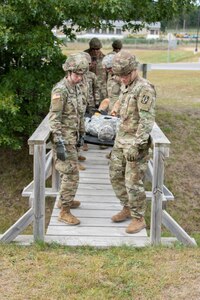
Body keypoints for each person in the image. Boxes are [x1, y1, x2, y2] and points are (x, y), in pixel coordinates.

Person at [109, 50, 156, 234]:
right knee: (115, 176)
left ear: (134, 70)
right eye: (119, 76)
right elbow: (123, 100)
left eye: (125, 75)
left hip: (135, 144)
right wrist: (116, 107)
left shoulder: (144, 88)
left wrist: (137, 145)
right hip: (121, 140)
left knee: (133, 182)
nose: (122, 79)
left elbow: (147, 120)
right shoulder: (126, 84)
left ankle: (138, 218)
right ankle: (127, 207)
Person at [49, 54, 88, 225]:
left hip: (74, 138)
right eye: (77, 74)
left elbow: (78, 113)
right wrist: (59, 142)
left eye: (82, 75)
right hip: (64, 140)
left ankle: (65, 199)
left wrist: (81, 133)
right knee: (71, 174)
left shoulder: (76, 87)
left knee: (70, 173)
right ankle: (64, 211)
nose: (80, 78)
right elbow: (54, 117)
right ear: (69, 71)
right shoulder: (61, 90)